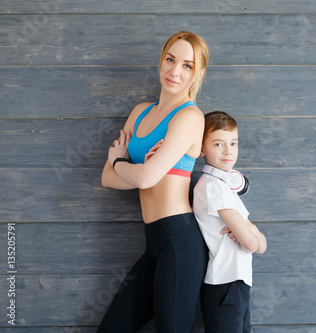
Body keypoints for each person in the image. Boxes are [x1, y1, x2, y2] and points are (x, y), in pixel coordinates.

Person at [98, 31, 209, 333]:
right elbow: (107, 178)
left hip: (180, 242)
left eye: (187, 65)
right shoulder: (140, 112)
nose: (175, 71)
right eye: (170, 60)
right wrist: (137, 171)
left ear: (198, 73)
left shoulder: (190, 117)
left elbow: (144, 177)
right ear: (161, 61)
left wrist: (122, 162)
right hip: (154, 243)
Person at [193, 111, 267, 333]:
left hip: (236, 282)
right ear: (201, 148)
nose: (228, 151)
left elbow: (260, 245)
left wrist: (249, 229)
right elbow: (253, 245)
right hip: (225, 284)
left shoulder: (224, 186)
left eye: (233, 143)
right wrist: (250, 232)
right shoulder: (213, 186)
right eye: (218, 144)